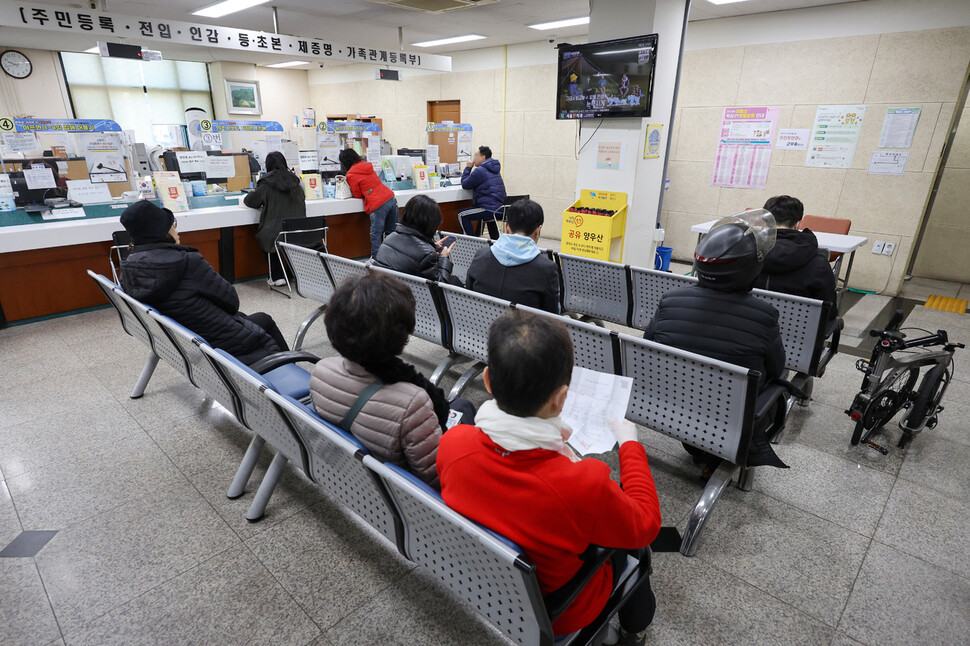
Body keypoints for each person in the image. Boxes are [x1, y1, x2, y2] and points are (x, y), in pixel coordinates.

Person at [437, 310, 661, 645]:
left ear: (487, 380)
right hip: (560, 610)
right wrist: (630, 443)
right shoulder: (582, 485)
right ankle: (635, 628)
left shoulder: (453, 443)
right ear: (560, 399)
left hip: (483, 581)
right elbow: (646, 524)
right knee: (633, 548)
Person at [644, 210, 787, 474]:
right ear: (752, 269)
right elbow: (777, 369)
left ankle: (698, 448)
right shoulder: (764, 315)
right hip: (729, 417)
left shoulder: (670, 301)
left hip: (668, 404)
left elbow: (648, 348)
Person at [310, 272, 476, 488]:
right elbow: (435, 477)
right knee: (464, 407)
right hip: (400, 492)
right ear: (400, 334)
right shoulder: (412, 401)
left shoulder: (321, 370)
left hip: (358, 474)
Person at [119, 200, 288, 366]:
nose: (177, 230)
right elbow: (231, 302)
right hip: (224, 345)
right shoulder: (188, 261)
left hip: (186, 342)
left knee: (254, 319)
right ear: (162, 231)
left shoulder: (129, 268)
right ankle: (292, 370)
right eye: (173, 225)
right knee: (264, 320)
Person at [465, 199, 560, 313]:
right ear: (537, 231)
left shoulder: (481, 256)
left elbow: (469, 295)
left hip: (479, 327)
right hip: (525, 330)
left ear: (507, 227)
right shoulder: (547, 268)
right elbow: (553, 314)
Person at [754, 195, 838, 318]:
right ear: (798, 223)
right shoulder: (818, 263)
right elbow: (829, 312)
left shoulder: (745, 254)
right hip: (798, 333)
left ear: (765, 221)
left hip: (745, 328)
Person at [243, 151, 306, 286]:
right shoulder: (296, 182)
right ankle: (292, 273)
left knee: (266, 236)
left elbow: (250, 201)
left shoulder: (266, 183)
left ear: (268, 165)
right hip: (299, 231)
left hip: (276, 232)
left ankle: (277, 276)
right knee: (285, 240)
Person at [373, 194, 461, 285]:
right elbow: (440, 286)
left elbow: (411, 254)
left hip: (386, 291)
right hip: (407, 296)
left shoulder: (390, 238)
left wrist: (431, 247)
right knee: (454, 281)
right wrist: (443, 258)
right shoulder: (426, 254)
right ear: (430, 224)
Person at [339, 148, 398, 258]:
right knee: (392, 233)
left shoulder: (351, 174)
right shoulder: (367, 166)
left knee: (376, 235)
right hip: (391, 198)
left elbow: (357, 194)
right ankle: (392, 260)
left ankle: (377, 262)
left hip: (378, 204)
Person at [458, 146, 506, 239]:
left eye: (476, 155)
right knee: (491, 219)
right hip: (500, 209)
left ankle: (471, 243)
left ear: (483, 157)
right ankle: (495, 244)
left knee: (462, 215)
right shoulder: (495, 169)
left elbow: (465, 184)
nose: (474, 158)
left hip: (488, 208)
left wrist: (468, 168)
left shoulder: (480, 170)